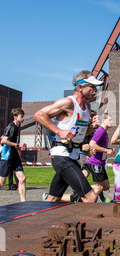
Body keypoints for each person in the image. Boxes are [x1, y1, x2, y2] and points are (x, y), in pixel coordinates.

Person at [33, 70, 103, 203]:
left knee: (53, 198)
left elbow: (81, 133)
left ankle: (42, 221)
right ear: (80, 87)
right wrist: (60, 131)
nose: (96, 90)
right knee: (91, 197)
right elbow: (39, 115)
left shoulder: (87, 107)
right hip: (61, 155)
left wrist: (92, 128)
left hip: (74, 156)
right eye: (92, 87)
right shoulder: (68, 103)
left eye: (96, 87)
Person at [0, 108, 27, 202]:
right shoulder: (11, 126)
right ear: (15, 117)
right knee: (1, 183)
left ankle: (23, 202)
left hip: (14, 156)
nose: (23, 118)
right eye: (21, 116)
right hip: (7, 157)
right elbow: (3, 141)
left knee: (22, 178)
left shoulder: (16, 127)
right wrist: (17, 145)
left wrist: (18, 147)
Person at [88, 113, 115, 203]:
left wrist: (108, 149)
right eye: (110, 120)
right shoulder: (100, 131)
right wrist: (106, 150)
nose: (112, 122)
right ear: (103, 121)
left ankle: (84, 189)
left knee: (106, 186)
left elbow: (98, 147)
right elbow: (92, 144)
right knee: (99, 187)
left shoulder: (104, 132)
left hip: (100, 163)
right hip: (95, 163)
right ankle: (83, 200)